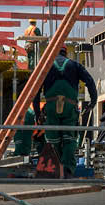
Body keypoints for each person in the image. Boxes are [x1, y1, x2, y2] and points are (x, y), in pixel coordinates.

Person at [35, 46, 99, 177]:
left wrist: (37, 113)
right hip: (69, 106)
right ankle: (67, 170)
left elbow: (35, 91)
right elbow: (90, 81)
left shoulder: (46, 66)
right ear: (66, 53)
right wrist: (93, 101)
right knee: (69, 138)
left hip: (51, 106)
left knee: (53, 139)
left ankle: (54, 168)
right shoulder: (74, 65)